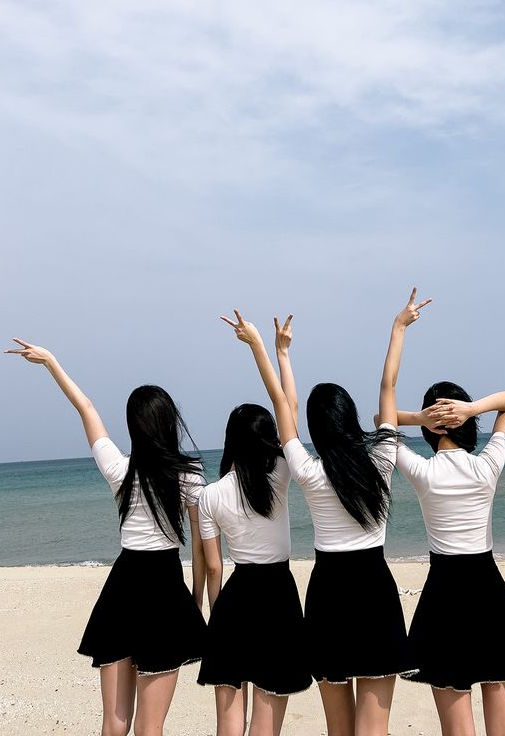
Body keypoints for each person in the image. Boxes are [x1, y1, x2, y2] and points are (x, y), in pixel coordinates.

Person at [221, 288, 432, 736]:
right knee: (374, 730)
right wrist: (399, 327)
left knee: (339, 729)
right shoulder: (381, 458)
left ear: (316, 428)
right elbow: (389, 387)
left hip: (328, 595)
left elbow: (283, 405)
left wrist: (267, 348)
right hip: (374, 591)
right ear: (351, 418)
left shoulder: (308, 471)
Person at [4, 339, 207, 736]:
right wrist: (194, 603)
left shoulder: (119, 470)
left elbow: (87, 408)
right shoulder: (190, 475)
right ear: (169, 423)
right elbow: (201, 550)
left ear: (133, 427)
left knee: (114, 724)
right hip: (165, 590)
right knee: (152, 727)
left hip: (122, 586)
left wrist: (51, 362)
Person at [392, 381, 505, 736]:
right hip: (489, 595)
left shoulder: (423, 472)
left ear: (429, 430)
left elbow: (384, 419)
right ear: (467, 424)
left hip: (442, 600)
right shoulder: (487, 466)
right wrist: (469, 410)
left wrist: (422, 418)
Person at [197, 314, 312, 736]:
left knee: (229, 723)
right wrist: (276, 352)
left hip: (233, 602)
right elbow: (290, 408)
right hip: (277, 598)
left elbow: (213, 567)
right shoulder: (280, 473)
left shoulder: (210, 495)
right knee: (266, 722)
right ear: (268, 438)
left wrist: (215, 615)